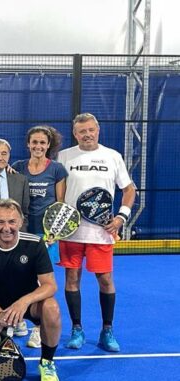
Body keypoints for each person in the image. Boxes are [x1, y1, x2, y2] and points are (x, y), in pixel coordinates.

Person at [57, 113, 136, 352]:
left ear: (97, 130)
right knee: (72, 279)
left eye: (91, 130)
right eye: (82, 131)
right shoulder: (64, 156)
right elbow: (59, 193)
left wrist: (121, 217)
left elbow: (129, 189)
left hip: (101, 234)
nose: (87, 134)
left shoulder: (112, 156)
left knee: (106, 280)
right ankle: (77, 329)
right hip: (71, 233)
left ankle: (107, 330)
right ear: (75, 133)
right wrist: (59, 222)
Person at [0, 199, 61, 381]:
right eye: (0, 222)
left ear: (21, 222)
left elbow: (50, 285)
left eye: (12, 222)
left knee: (51, 307)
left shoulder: (35, 244)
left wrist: (23, 302)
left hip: (28, 304)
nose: (7, 228)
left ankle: (47, 362)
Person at [11, 125, 68, 348]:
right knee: (18, 278)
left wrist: (54, 232)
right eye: (34, 142)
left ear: (48, 145)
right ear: (28, 144)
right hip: (20, 233)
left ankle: (38, 329)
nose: (38, 146)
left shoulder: (57, 169)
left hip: (47, 235)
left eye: (42, 143)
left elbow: (60, 204)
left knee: (41, 282)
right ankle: (20, 322)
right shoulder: (17, 167)